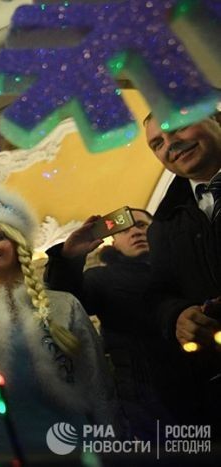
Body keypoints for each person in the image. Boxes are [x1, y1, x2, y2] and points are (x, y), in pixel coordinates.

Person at [0, 183, 117, 457]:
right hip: (5, 444)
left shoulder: (65, 304)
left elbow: (96, 381)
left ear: (17, 243)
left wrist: (109, 443)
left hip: (70, 440)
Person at [44, 209, 180, 439]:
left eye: (141, 225)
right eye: (124, 230)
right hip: (147, 401)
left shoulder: (185, 267)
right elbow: (63, 301)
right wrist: (68, 258)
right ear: (114, 243)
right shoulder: (103, 279)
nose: (135, 232)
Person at [143, 113, 221, 427]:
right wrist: (177, 316)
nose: (171, 144)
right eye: (157, 143)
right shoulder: (162, 225)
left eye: (177, 126)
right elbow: (159, 294)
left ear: (215, 116)